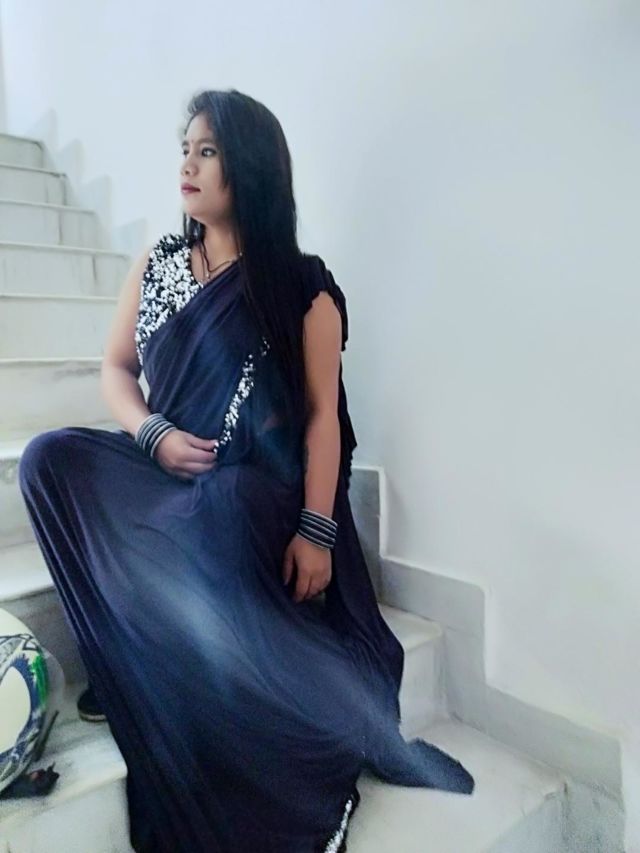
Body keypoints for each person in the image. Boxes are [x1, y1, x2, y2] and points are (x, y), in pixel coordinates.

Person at [17, 89, 474, 853]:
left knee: (223, 498)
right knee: (47, 460)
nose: (188, 165)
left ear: (250, 167)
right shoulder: (157, 265)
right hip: (169, 466)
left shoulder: (301, 286)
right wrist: (152, 432)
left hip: (254, 486)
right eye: (185, 149)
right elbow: (116, 369)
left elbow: (322, 417)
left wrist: (318, 531)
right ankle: (134, 651)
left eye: (208, 151)